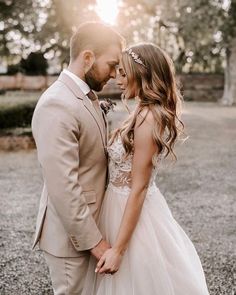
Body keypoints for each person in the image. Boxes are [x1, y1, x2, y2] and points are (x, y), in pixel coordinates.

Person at [82, 43, 210, 294]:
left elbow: (139, 187)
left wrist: (118, 249)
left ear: (143, 74)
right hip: (115, 205)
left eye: (123, 72)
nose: (116, 78)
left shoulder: (150, 119)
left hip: (131, 210)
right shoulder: (140, 110)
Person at [31, 21, 124, 294]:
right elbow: (64, 187)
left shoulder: (84, 97)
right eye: (112, 64)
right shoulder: (57, 104)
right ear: (88, 58)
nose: (115, 74)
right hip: (73, 241)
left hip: (93, 226)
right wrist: (96, 243)